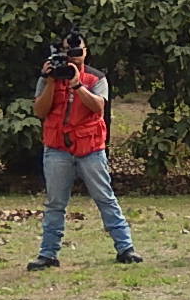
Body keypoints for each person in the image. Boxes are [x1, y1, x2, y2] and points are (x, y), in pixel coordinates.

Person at [26, 30, 143, 271]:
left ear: (86, 52)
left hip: (90, 148)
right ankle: (48, 254)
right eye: (70, 52)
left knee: (105, 198)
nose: (74, 57)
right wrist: (50, 81)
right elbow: (40, 111)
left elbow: (98, 107)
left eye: (79, 52)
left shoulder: (96, 78)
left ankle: (125, 247)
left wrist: (77, 84)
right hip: (58, 148)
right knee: (55, 203)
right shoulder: (49, 76)